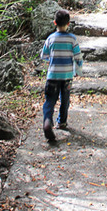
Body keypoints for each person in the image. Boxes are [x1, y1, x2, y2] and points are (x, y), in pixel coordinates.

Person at [40, 8, 83, 141]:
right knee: (65, 99)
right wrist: (77, 70)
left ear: (54, 22)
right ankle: (62, 122)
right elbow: (78, 58)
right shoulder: (72, 39)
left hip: (52, 75)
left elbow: (44, 56)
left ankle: (47, 121)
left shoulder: (50, 38)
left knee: (50, 100)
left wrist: (51, 59)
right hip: (67, 76)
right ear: (68, 23)